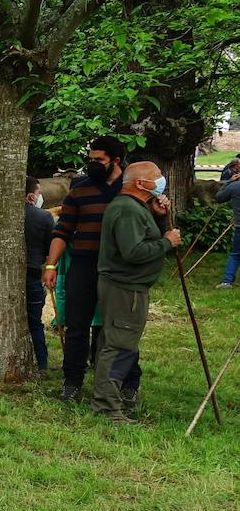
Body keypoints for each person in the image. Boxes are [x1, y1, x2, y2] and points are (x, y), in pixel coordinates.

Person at [44, 135, 133, 402]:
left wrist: (162, 208)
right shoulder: (80, 187)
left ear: (116, 161)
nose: (93, 164)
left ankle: (128, 383)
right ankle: (72, 383)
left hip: (119, 268)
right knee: (77, 326)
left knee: (119, 327)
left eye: (99, 160)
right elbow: (63, 230)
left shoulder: (130, 187)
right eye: (91, 159)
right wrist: (51, 264)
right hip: (83, 265)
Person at [91, 162, 181, 423]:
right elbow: (133, 252)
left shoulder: (135, 207)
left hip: (126, 286)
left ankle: (108, 400)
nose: (161, 181)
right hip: (125, 288)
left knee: (114, 342)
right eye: (157, 177)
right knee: (119, 345)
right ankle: (107, 407)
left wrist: (157, 215)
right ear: (141, 184)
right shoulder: (128, 209)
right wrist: (167, 242)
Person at [24, 176, 56, 372]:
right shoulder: (44, 217)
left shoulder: (1, 215)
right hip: (33, 273)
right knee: (34, 321)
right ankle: (41, 363)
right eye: (38, 193)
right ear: (30, 196)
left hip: (8, 277)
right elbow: (50, 246)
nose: (39, 197)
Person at [217, 173, 240, 287]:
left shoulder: (234, 186)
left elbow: (219, 197)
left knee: (236, 254)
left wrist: (229, 181)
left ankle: (227, 281)